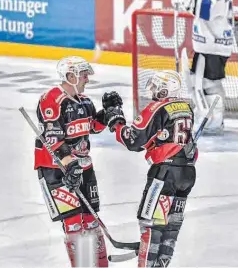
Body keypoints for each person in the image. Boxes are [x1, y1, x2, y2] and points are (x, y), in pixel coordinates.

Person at [103, 70, 197, 267]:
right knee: (171, 227)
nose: (152, 90)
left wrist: (116, 122)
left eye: (156, 86)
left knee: (151, 225)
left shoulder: (157, 107)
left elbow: (134, 141)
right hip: (187, 174)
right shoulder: (187, 108)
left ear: (165, 90)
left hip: (165, 175)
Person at [34, 56, 121, 267]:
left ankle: (99, 265)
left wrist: (108, 114)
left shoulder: (84, 101)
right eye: (83, 76)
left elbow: (91, 127)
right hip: (55, 170)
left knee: (91, 221)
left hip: (83, 167)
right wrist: (69, 163)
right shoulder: (51, 99)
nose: (87, 80)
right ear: (70, 76)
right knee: (73, 223)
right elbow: (53, 136)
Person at [171, 0, 233, 134]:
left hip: (215, 47)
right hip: (207, 46)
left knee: (210, 85)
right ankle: (205, 117)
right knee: (199, 83)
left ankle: (214, 122)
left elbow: (207, 11)